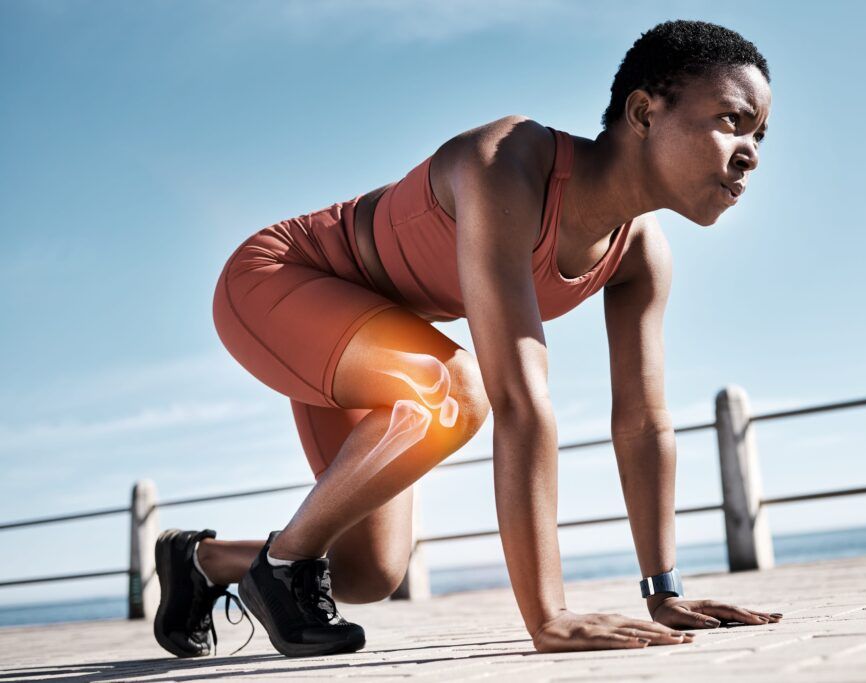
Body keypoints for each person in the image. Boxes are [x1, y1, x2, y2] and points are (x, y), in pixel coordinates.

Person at [153, 18, 783, 659]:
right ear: (644, 113)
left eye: (760, 134)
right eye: (732, 121)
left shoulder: (640, 254)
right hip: (279, 284)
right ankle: (282, 566)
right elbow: (519, 398)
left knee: (369, 573)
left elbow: (644, 424)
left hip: (381, 340)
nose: (752, 151)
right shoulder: (509, 160)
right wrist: (550, 616)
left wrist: (663, 592)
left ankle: (202, 561)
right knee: (455, 390)